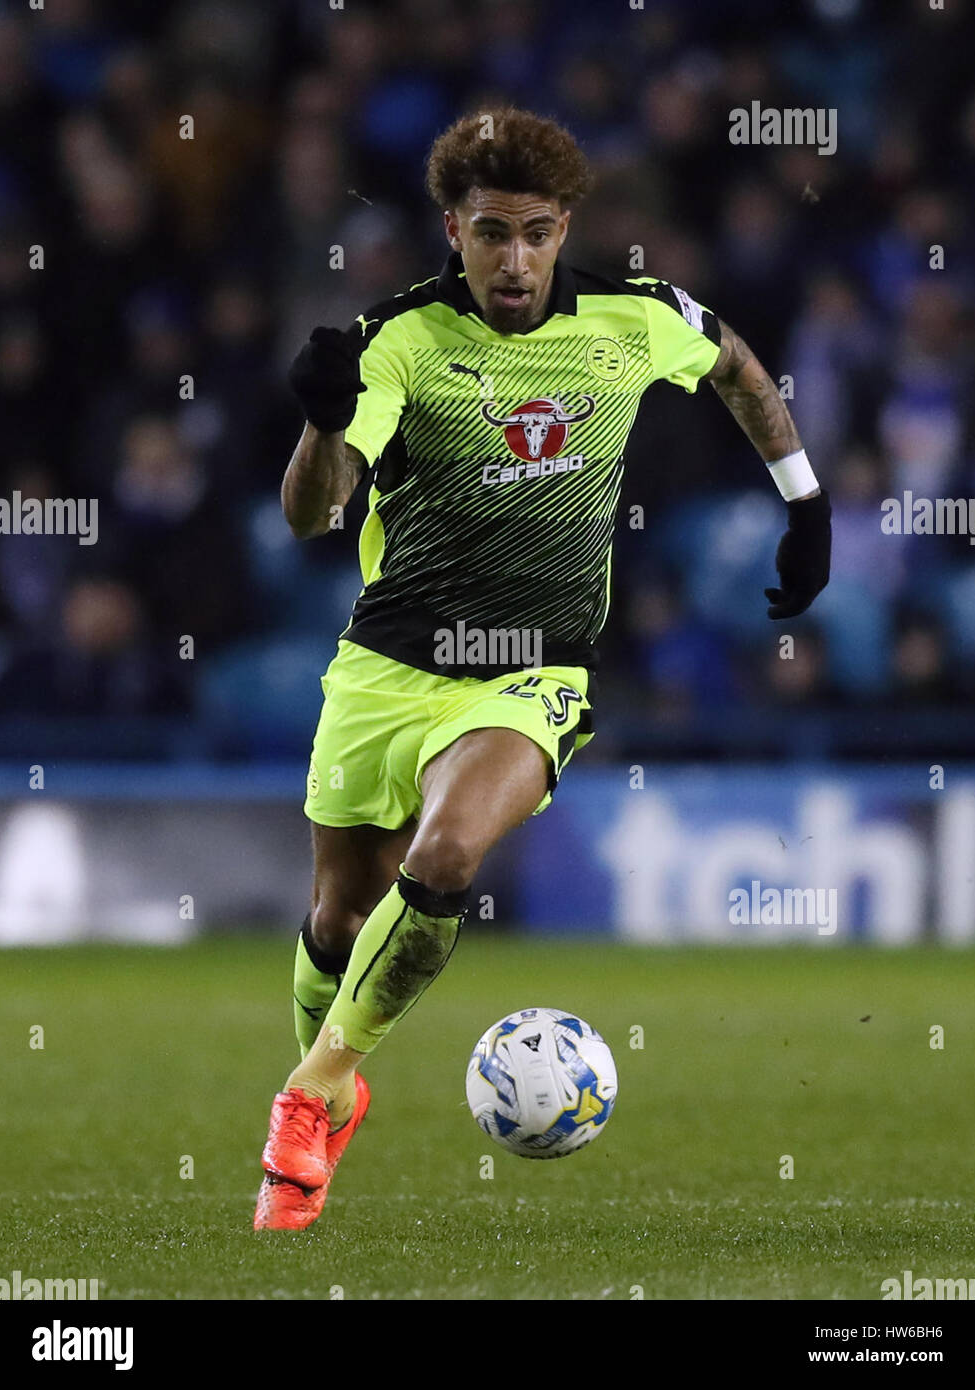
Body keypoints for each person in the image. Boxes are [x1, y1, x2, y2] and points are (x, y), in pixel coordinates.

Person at [254, 107, 831, 1230]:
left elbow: (740, 369)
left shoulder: (637, 316)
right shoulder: (400, 340)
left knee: (451, 850)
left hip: (535, 668)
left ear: (565, 227)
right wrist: (322, 427)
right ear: (452, 230)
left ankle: (308, 1093)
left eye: (534, 233)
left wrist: (805, 501)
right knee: (336, 922)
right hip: (388, 663)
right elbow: (311, 516)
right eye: (489, 235)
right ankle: (338, 1072)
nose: (513, 261)